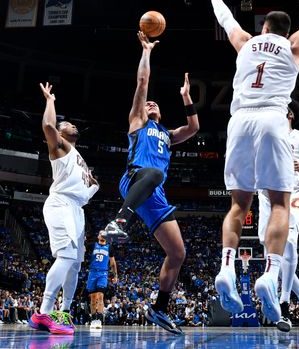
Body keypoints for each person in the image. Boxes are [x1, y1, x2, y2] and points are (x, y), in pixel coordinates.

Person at [206, 0, 299, 324]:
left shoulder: (246, 42)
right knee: (279, 204)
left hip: (239, 120)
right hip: (272, 119)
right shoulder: (294, 46)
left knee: (238, 205)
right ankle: (268, 273)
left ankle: (227, 269)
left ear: (264, 27)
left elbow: (227, 20)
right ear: (284, 30)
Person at [101, 31, 199, 335]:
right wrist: (146, 51)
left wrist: (186, 97)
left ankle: (159, 308)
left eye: (155, 103)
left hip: (154, 192)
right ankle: (118, 221)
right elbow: (142, 84)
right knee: (155, 173)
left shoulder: (168, 135)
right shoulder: (137, 122)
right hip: (134, 179)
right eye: (148, 104)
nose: (151, 103)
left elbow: (194, 127)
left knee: (178, 253)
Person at [29, 82, 99, 335]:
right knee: (66, 257)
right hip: (60, 204)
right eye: (67, 124)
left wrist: (92, 185)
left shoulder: (78, 157)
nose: (74, 125)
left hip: (77, 210)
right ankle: (43, 313)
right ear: (60, 132)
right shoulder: (59, 146)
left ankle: (64, 311)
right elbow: (48, 126)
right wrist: (50, 101)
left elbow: (88, 191)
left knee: (76, 264)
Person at [257, 102, 299, 332]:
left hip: (293, 193)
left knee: (290, 243)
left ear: (290, 114)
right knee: (273, 253)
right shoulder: (264, 133)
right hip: (266, 194)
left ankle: (284, 305)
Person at [86, 233, 117, 330]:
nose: (102, 235)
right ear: (98, 236)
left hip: (103, 273)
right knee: (93, 297)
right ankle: (92, 318)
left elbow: (112, 262)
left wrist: (115, 275)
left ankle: (98, 319)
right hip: (92, 273)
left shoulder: (109, 247)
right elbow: (82, 250)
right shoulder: (92, 245)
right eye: (101, 234)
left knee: (100, 296)